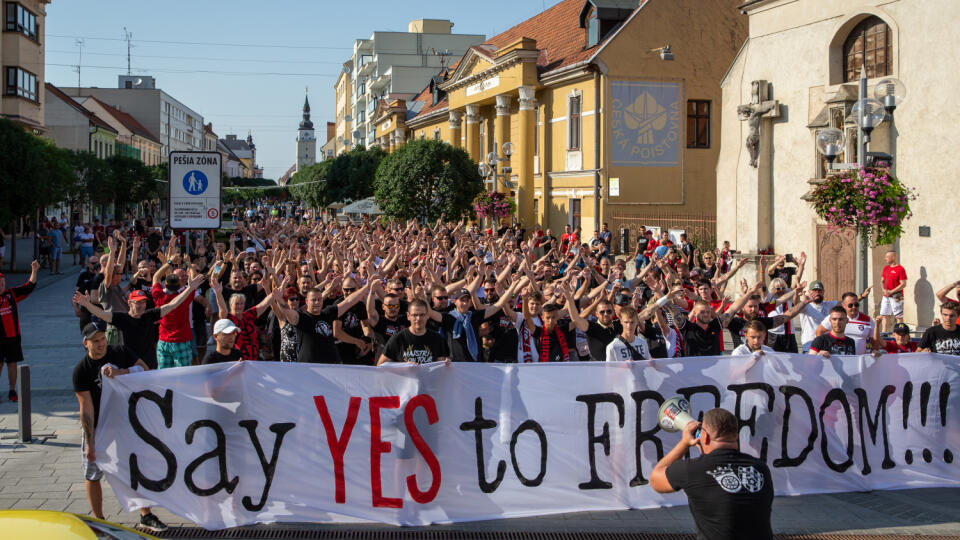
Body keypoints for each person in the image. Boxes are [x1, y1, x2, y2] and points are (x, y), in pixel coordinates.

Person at [72, 323, 167, 532]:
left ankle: (146, 514)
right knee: (92, 473)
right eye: (95, 341)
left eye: (103, 339)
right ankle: (99, 521)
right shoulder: (82, 370)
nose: (101, 344)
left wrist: (120, 372)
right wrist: (90, 443)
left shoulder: (120, 352)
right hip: (98, 426)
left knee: (136, 467)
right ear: (85, 343)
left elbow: (144, 370)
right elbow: (85, 409)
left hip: (125, 422)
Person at [650, 407, 773, 540]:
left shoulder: (692, 469)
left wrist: (684, 443)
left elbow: (656, 480)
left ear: (706, 437)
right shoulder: (761, 468)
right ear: (736, 436)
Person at [72, 274, 205, 370]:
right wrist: (86, 304)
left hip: (150, 368)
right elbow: (101, 313)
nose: (142, 305)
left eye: (144, 302)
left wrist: (189, 289)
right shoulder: (122, 319)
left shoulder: (149, 315)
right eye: (138, 303)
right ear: (129, 303)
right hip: (131, 369)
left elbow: (172, 305)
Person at [0, 260, 39, 402]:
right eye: (0, 283)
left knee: (12, 364)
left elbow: (29, 286)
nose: (2, 285)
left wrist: (34, 271)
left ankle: (12, 390)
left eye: (3, 282)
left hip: (12, 337)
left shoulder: (11, 294)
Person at [378, 300, 449, 365]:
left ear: (427, 315)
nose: (418, 319)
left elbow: (440, 364)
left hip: (428, 379)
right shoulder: (398, 338)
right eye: (415, 315)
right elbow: (380, 366)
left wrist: (446, 364)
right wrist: (403, 367)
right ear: (408, 316)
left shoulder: (437, 338)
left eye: (422, 315)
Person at [797, 281, 836, 352]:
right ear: (809, 292)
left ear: (823, 292)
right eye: (814, 290)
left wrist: (862, 296)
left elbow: (847, 303)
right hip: (809, 347)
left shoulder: (829, 305)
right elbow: (796, 305)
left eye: (819, 291)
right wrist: (797, 294)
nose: (817, 293)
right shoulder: (805, 306)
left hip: (826, 347)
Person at [879, 250, 907, 332]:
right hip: (886, 296)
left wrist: (891, 291)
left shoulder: (900, 269)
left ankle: (900, 332)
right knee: (884, 314)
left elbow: (903, 284)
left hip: (896, 296)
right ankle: (884, 332)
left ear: (893, 257)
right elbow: (882, 280)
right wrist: (883, 289)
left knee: (899, 316)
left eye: (887, 257)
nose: (885, 259)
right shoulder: (886, 268)